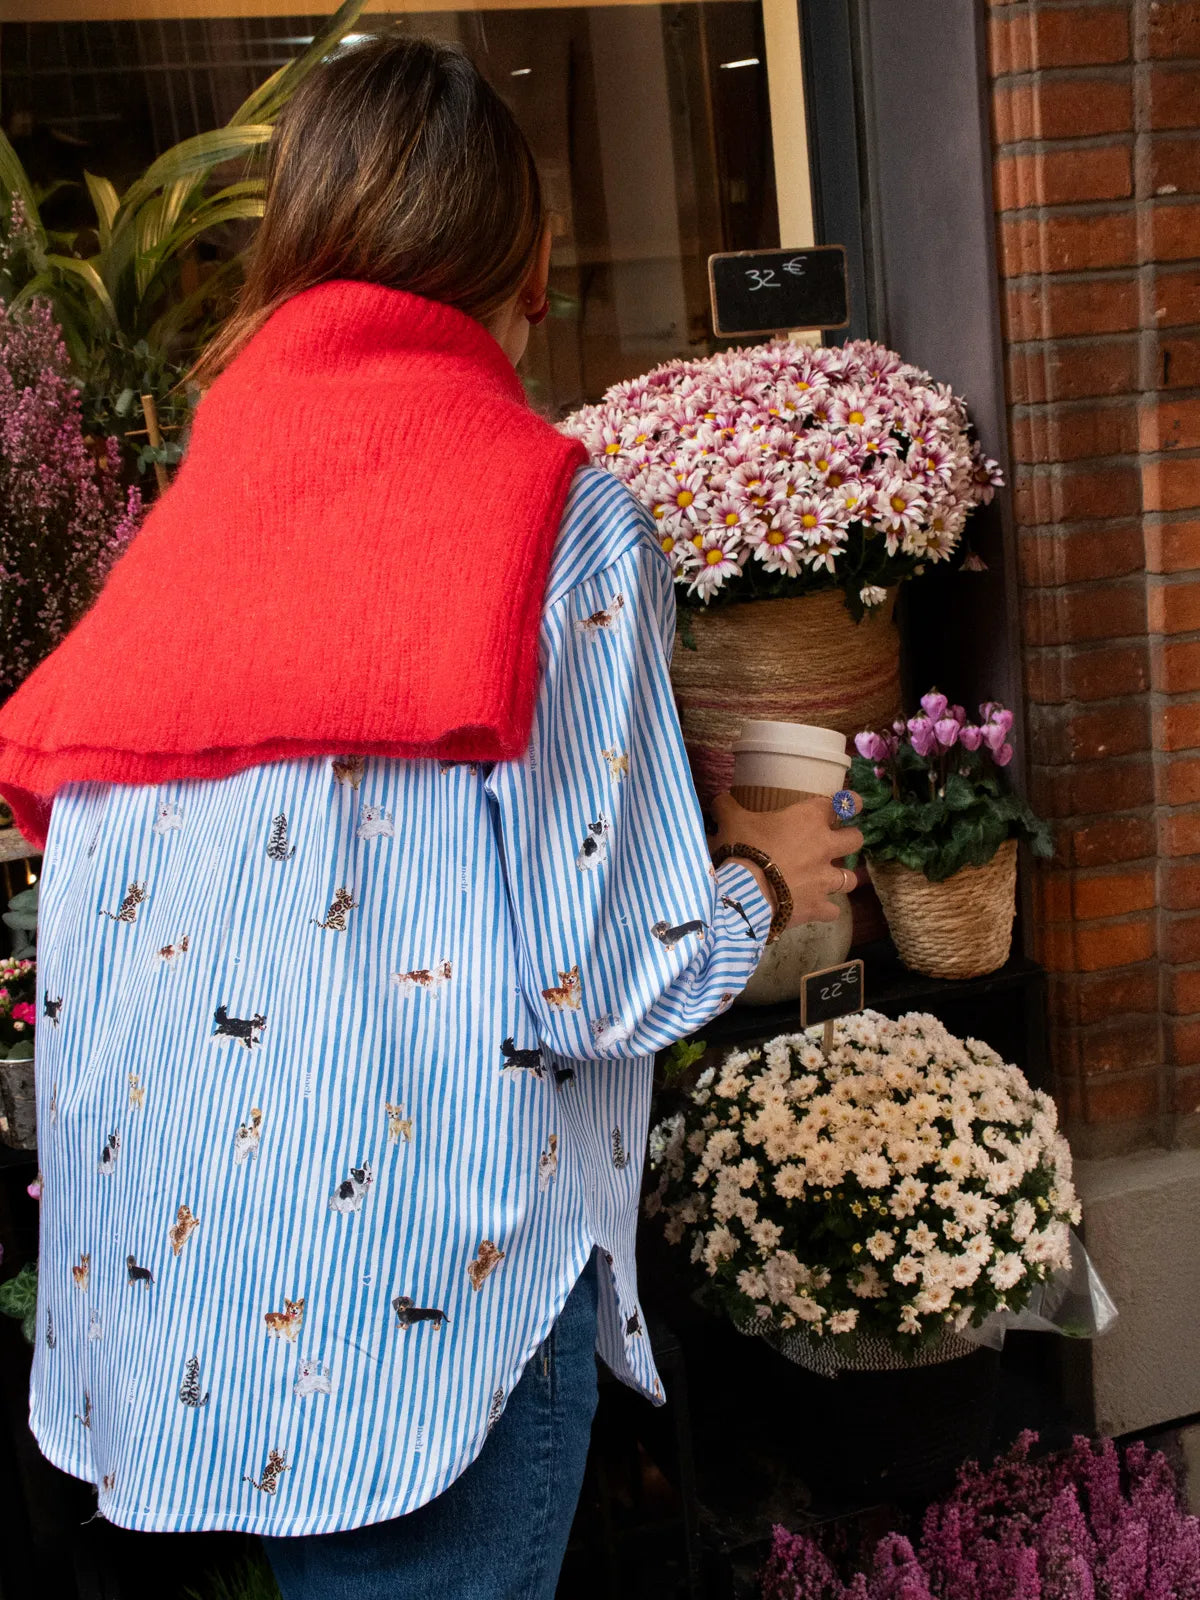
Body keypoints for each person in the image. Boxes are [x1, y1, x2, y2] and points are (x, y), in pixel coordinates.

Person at [0, 33, 861, 1600]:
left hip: (206, 1317)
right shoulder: (549, 511)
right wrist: (761, 874)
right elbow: (609, 980)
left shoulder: (197, 520)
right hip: (430, 1311)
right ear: (526, 262)